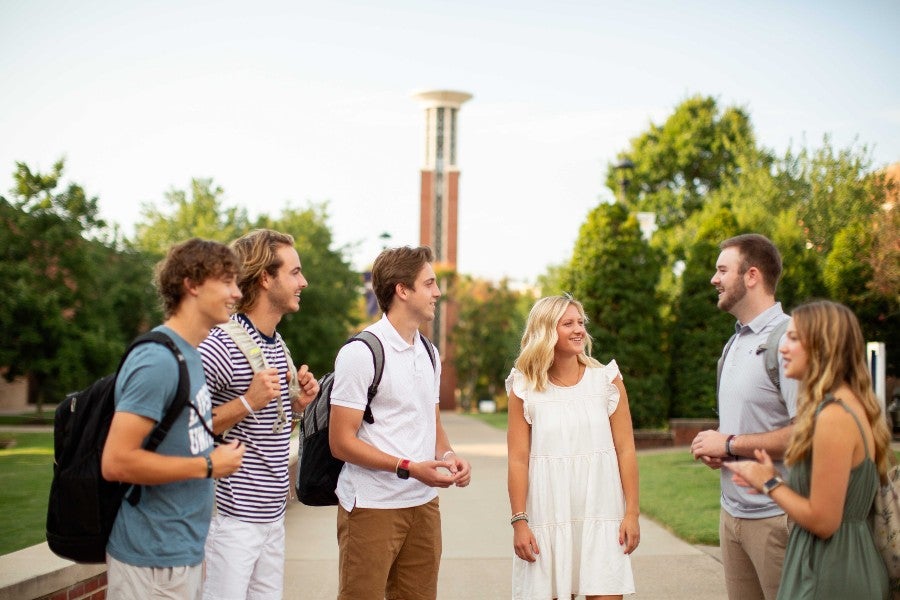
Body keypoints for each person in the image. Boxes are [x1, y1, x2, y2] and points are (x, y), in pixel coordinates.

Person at [101, 238, 246, 599]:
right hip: (151, 561)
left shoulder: (190, 355)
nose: (237, 293)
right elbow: (116, 461)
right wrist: (208, 466)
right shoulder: (158, 360)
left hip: (181, 555)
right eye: (226, 281)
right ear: (192, 285)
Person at [328, 245, 472, 600]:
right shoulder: (361, 353)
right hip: (372, 507)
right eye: (429, 284)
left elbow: (432, 423)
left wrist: (449, 454)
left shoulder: (428, 352)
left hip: (423, 505)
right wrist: (409, 467)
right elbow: (341, 442)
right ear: (402, 290)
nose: (437, 292)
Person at [723, 300, 891, 598]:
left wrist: (770, 483)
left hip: (832, 572)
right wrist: (774, 479)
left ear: (823, 347)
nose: (783, 348)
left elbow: (824, 521)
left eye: (794, 337)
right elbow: (838, 493)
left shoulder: (833, 417)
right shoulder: (848, 404)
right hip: (841, 563)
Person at [199, 229, 320, 600]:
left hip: (271, 516)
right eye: (294, 272)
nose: (304, 281)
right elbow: (184, 427)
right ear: (266, 278)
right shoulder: (219, 343)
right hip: (230, 521)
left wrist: (297, 406)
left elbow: (265, 427)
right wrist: (248, 401)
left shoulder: (277, 344)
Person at [506, 294, 639, 600]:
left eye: (580, 322)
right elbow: (518, 459)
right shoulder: (524, 387)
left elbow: (626, 450)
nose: (579, 329)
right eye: (568, 323)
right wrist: (519, 520)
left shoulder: (606, 380)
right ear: (546, 331)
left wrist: (631, 513)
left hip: (601, 514)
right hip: (546, 516)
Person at [690, 233, 799, 600]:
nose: (714, 279)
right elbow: (744, 427)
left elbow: (808, 435)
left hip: (777, 518)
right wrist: (720, 446)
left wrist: (732, 444)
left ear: (751, 276)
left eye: (722, 269)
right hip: (731, 516)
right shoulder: (735, 342)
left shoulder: (789, 340)